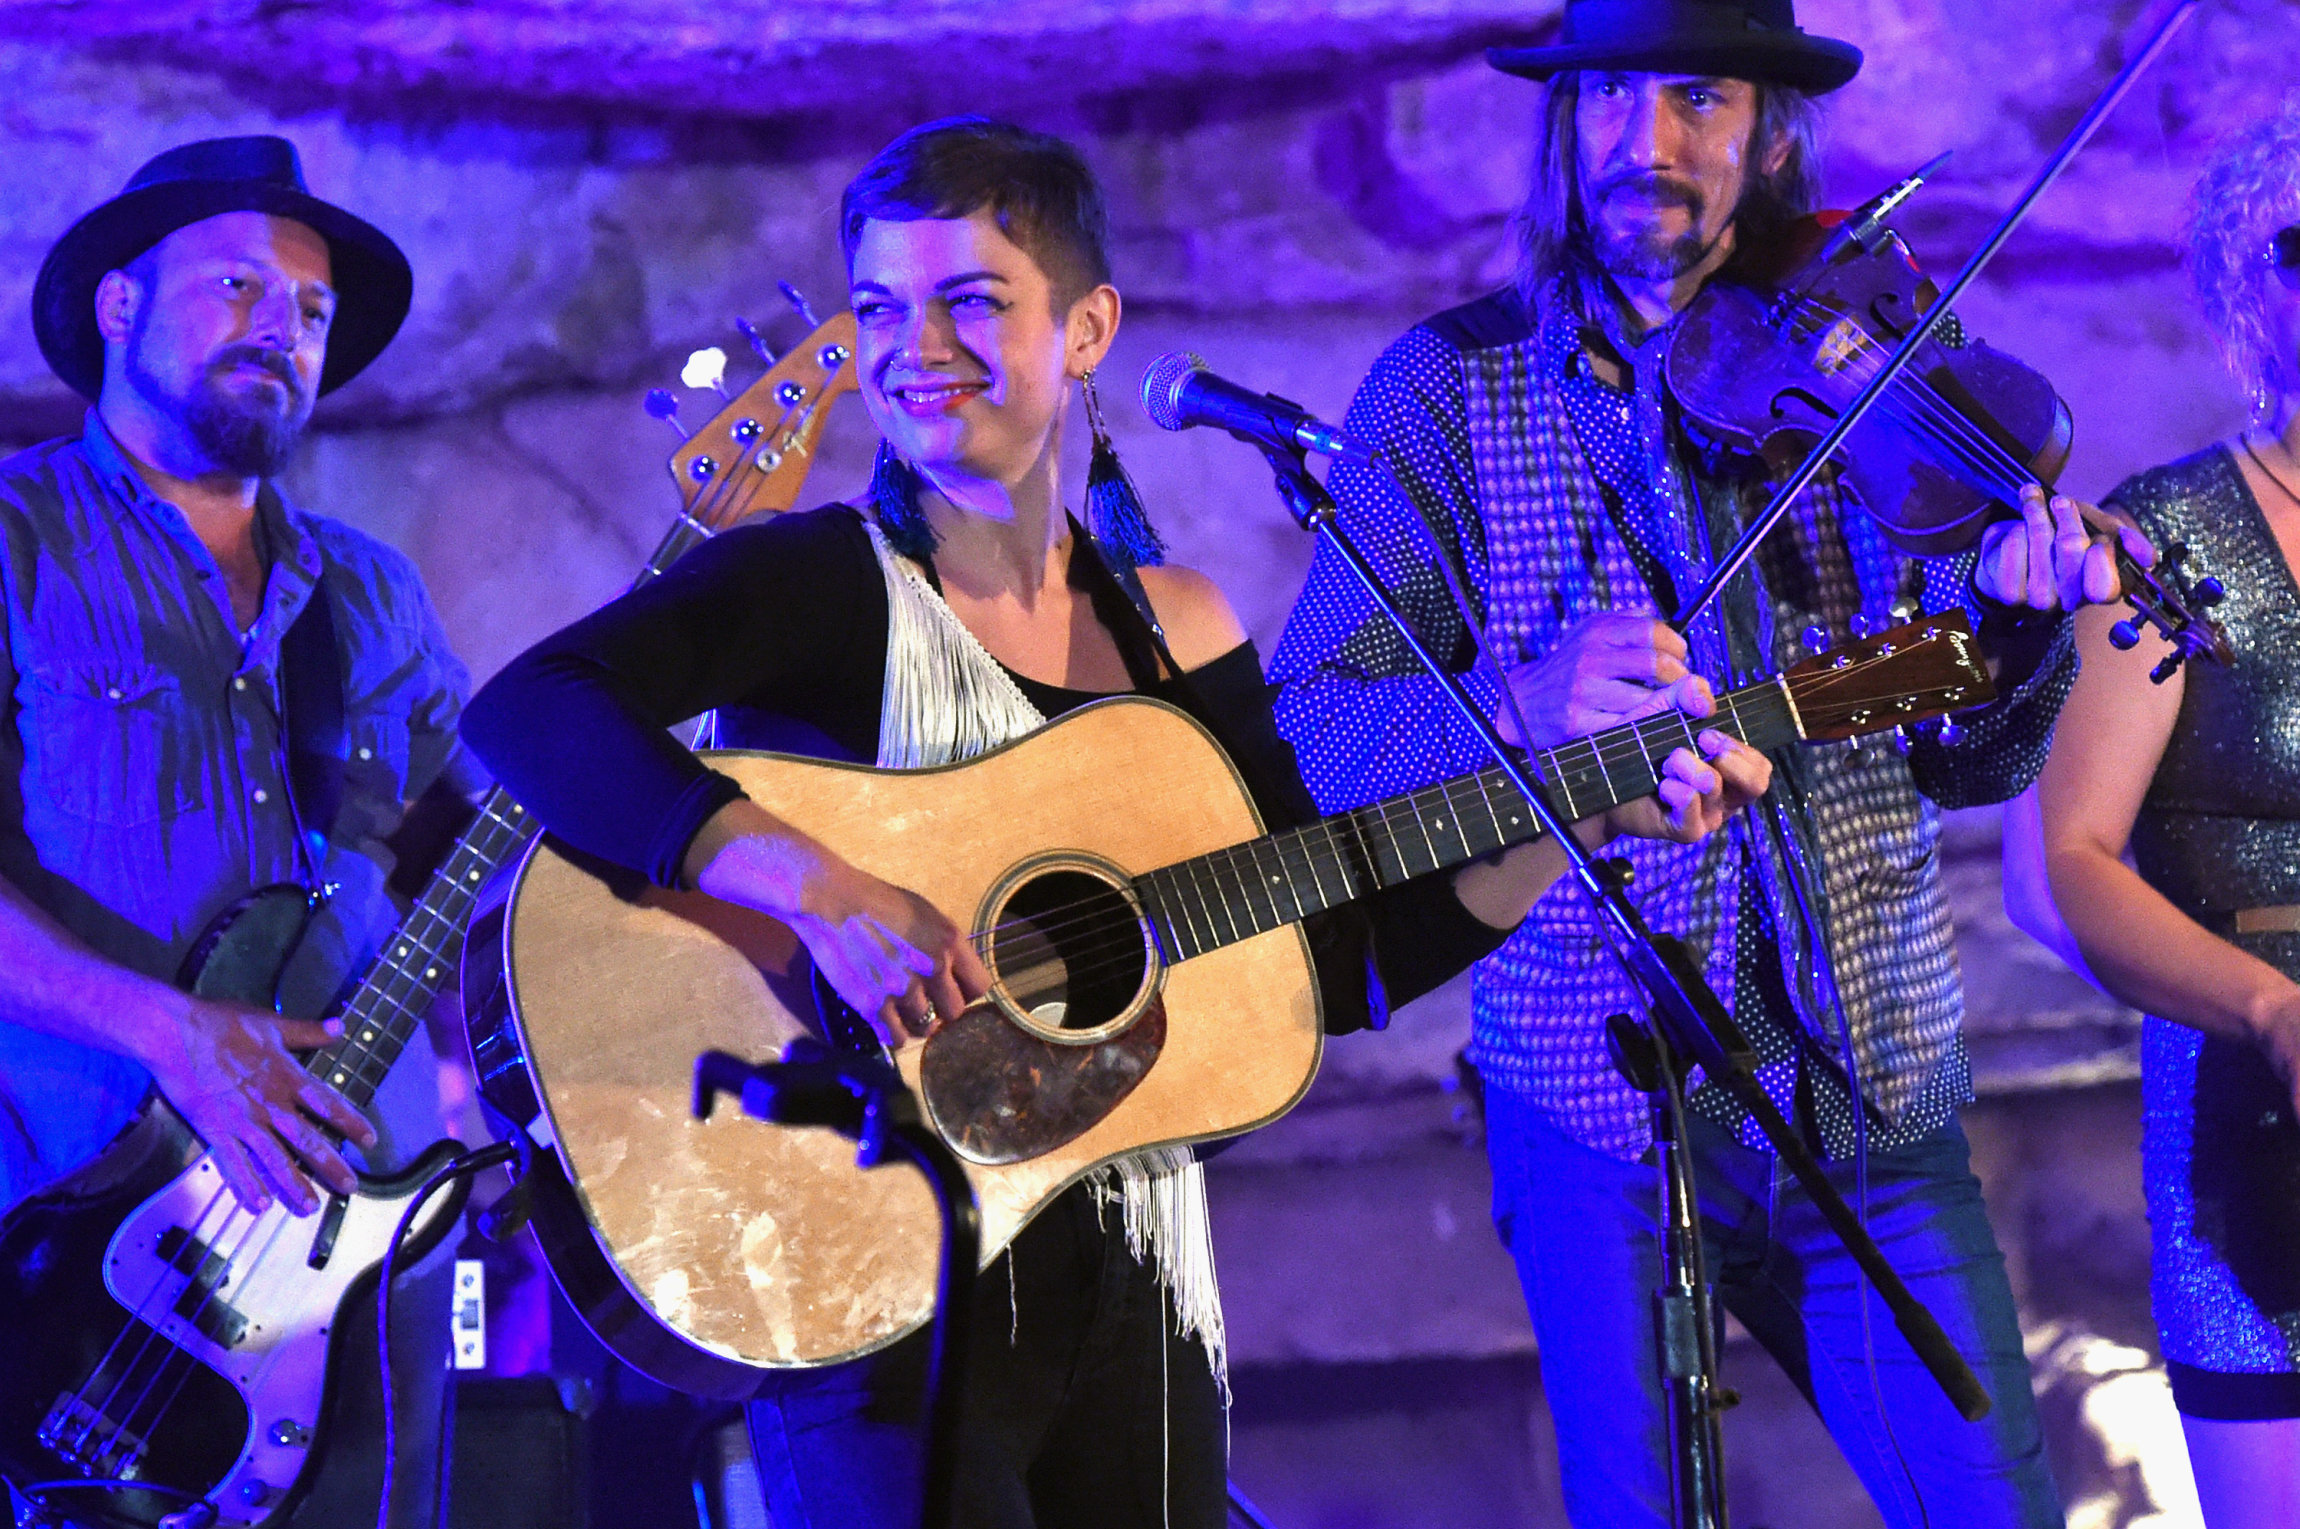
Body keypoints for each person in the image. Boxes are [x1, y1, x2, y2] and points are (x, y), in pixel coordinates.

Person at [460, 115, 1770, 1529]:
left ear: (1087, 329)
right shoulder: (819, 585)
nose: (917, 347)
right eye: (885, 308)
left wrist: (1573, 820)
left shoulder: (1178, 632)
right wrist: (814, 884)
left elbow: (1325, 960)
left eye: (972, 301)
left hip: (1138, 1293)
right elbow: (528, 707)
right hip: (876, 1279)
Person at [1267, 3, 2153, 1524]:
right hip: (1597, 1109)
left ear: (1768, 130)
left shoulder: (1870, 367)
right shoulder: (1448, 388)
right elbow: (1316, 724)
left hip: (1867, 1084)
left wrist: (2007, 638)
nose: (1651, 143)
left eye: (1700, 96)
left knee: (1992, 1506)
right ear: (1563, 120)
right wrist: (1520, 696)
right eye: (1613, 93)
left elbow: (1958, 753)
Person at [0, 137, 477, 1525]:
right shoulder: (18, 537)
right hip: (63, 1248)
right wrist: (169, 1032)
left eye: (313, 313)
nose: (283, 329)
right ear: (119, 306)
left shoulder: (376, 598)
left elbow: (449, 877)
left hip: (355, 1245)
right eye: (239, 288)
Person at [2004, 98, 2300, 1529]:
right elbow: (2067, 862)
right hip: (2257, 1136)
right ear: (2261, 283)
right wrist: (2269, 1007)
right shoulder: (2167, 535)